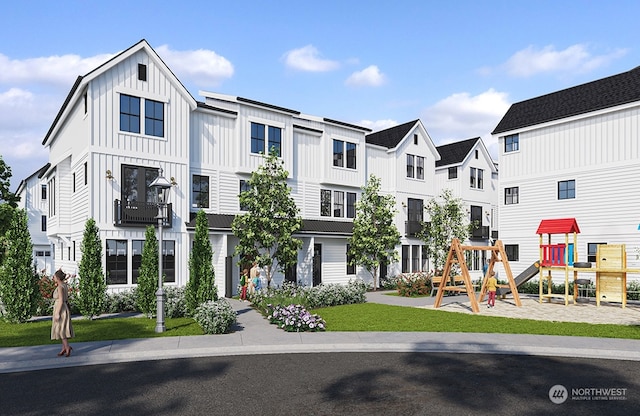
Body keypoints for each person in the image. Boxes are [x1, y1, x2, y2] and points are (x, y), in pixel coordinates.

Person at [51, 269, 74, 357]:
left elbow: (60, 300)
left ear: (57, 278)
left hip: (60, 308)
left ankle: (67, 347)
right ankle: (64, 347)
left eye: (54, 277)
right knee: (62, 328)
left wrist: (57, 313)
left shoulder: (60, 287)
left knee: (61, 329)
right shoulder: (64, 285)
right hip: (64, 307)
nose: (53, 278)